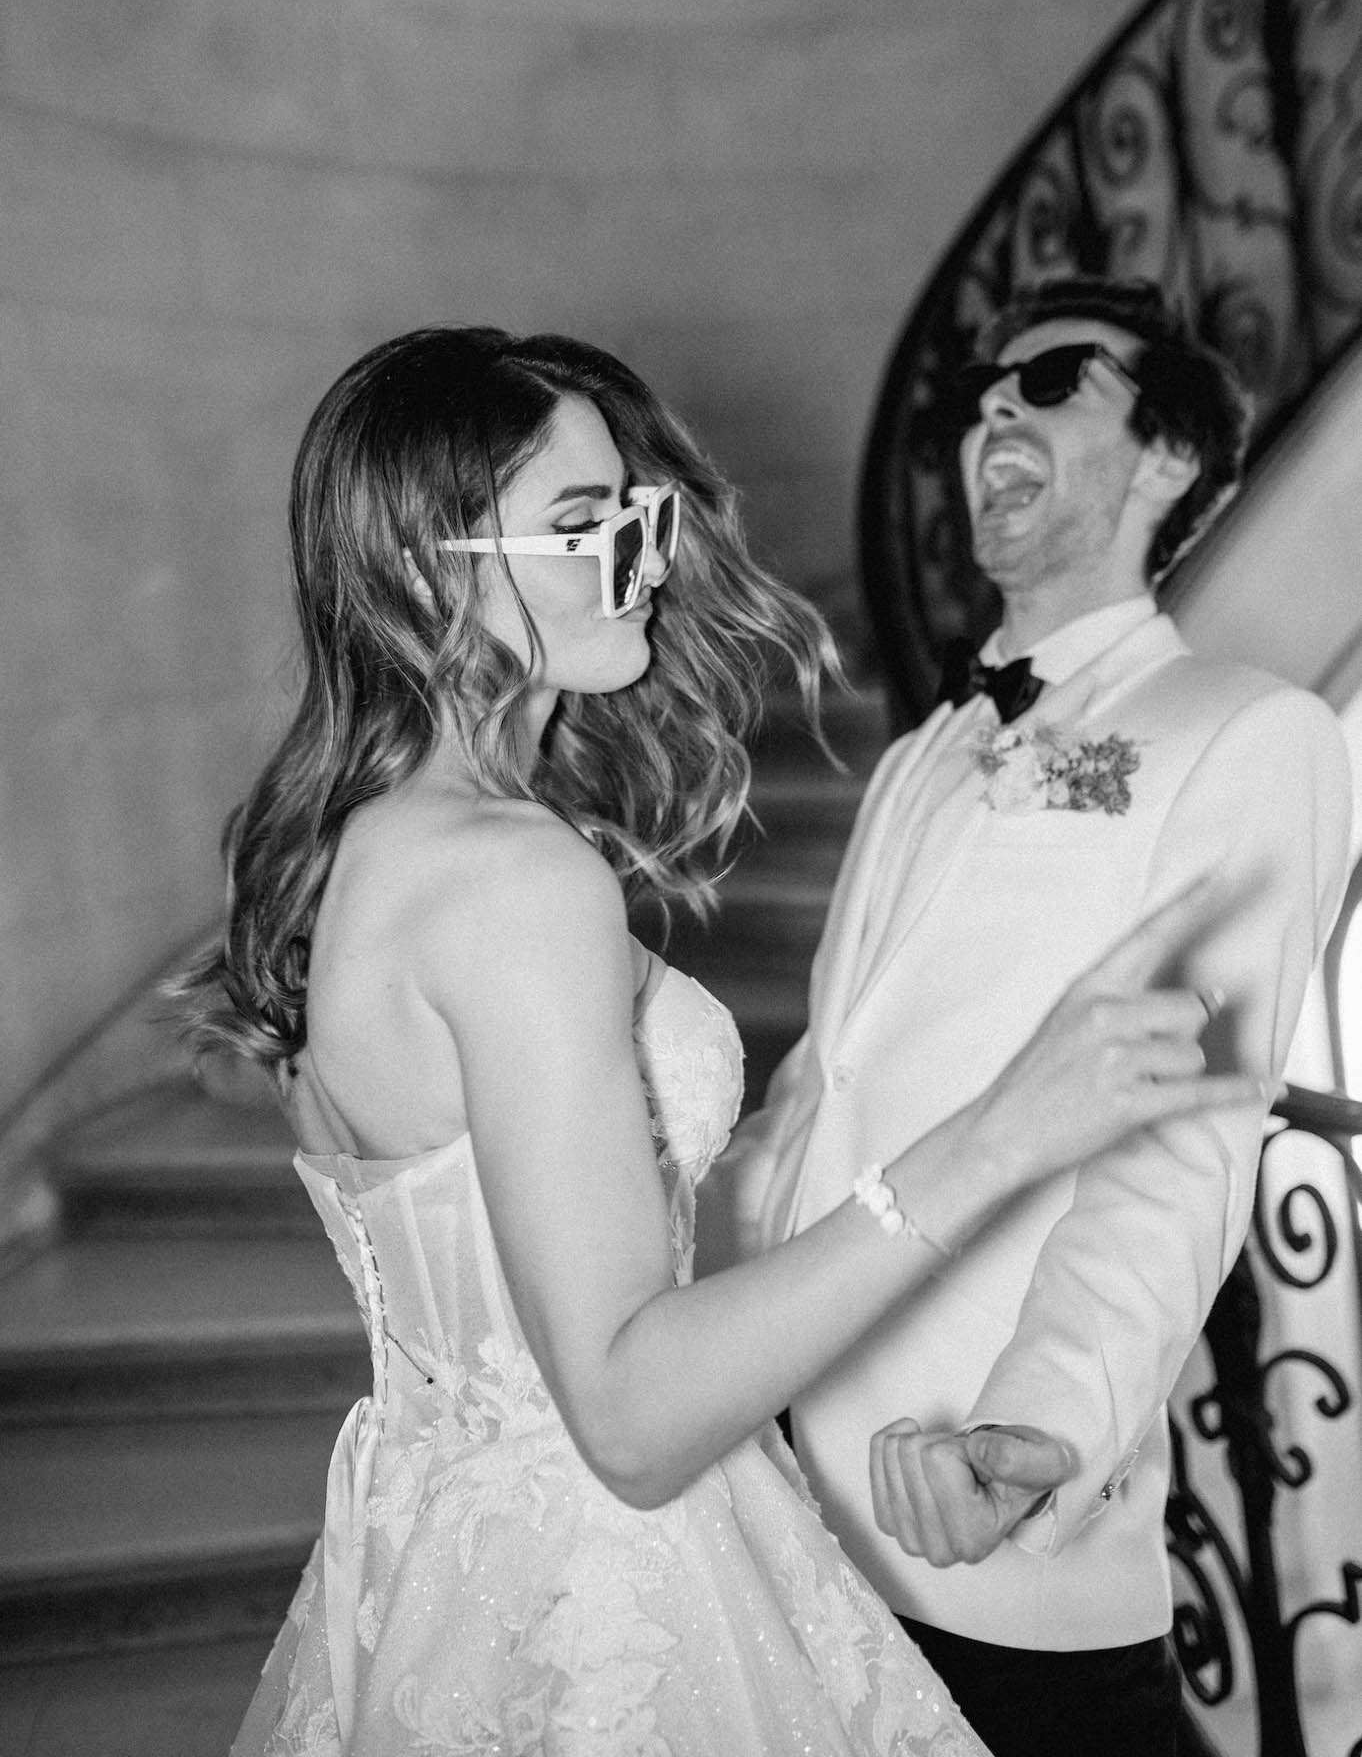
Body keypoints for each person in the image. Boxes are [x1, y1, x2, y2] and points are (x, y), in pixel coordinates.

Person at [175, 324, 1255, 1757]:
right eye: (578, 524)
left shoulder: (358, 856)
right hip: (612, 1585)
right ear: (428, 572)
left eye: (635, 510)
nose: (641, 551)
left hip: (441, 1564)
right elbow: (625, 1416)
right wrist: (997, 1138)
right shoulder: (513, 877)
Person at [704, 276, 1354, 1757]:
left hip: (981, 1504)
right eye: (976, 396)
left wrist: (1043, 1427)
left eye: (1053, 379)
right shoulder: (925, 751)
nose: (993, 405)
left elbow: (1180, 1144)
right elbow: (835, 1074)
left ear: (1169, 461)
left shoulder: (1247, 734)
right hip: (798, 1475)